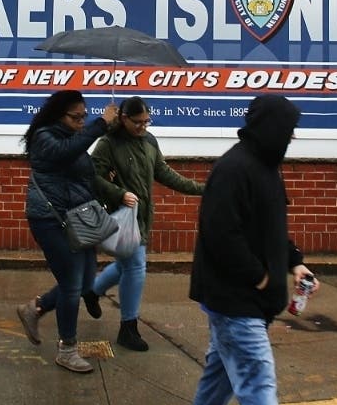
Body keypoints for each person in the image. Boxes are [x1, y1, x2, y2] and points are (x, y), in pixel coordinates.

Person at [171, 95, 336, 405]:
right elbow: (219, 234)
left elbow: (270, 227)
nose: (292, 138)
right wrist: (258, 276)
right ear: (271, 129)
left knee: (220, 379)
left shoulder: (266, 167)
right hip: (235, 300)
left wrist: (294, 262)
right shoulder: (234, 168)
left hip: (248, 301)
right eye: (288, 131)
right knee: (257, 381)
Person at [87, 96, 204, 351]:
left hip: (142, 216)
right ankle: (128, 328)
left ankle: (92, 291)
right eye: (137, 122)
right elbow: (91, 176)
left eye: (146, 121)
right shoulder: (108, 143)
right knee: (136, 267)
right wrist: (119, 193)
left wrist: (201, 189)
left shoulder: (149, 141)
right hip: (120, 215)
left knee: (124, 267)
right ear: (123, 118)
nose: (143, 127)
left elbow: (164, 172)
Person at [17, 90, 118, 373]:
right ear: (59, 114)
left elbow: (80, 171)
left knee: (86, 281)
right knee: (72, 283)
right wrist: (101, 123)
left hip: (76, 218)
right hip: (50, 220)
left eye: (84, 116)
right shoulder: (45, 137)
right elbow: (65, 153)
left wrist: (108, 182)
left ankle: (35, 308)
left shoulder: (72, 139)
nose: (82, 122)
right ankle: (68, 349)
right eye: (77, 117)